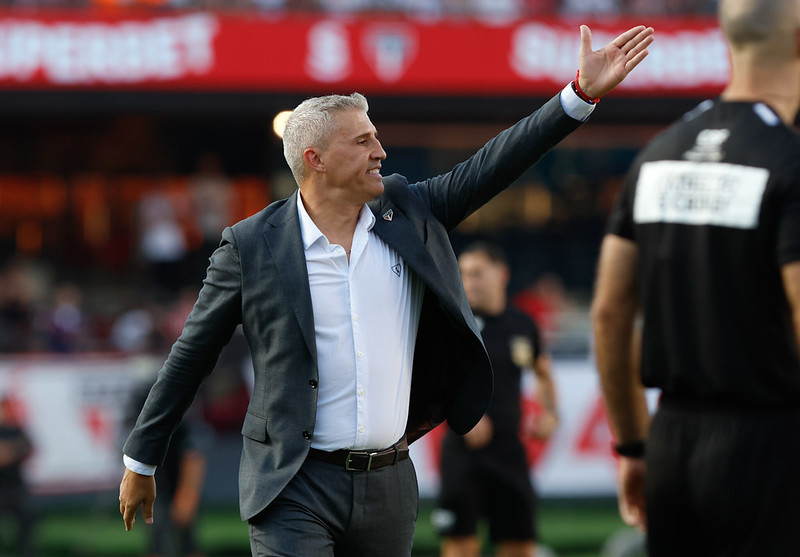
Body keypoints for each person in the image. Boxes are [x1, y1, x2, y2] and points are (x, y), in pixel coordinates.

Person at [120, 23, 653, 557]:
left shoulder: (409, 211)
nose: (380, 151)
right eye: (362, 141)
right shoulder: (250, 245)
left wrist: (578, 96)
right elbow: (192, 352)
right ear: (315, 159)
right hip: (292, 485)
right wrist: (142, 459)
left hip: (389, 483)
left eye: (375, 137)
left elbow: (493, 164)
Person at [591, 1, 800, 555]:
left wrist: (633, 446)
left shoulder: (657, 154)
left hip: (672, 445)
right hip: (772, 445)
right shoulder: (790, 160)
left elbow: (609, 313)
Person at [434, 241, 558, 557]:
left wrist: (550, 413)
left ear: (501, 274)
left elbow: (543, 372)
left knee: (519, 542)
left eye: (477, 273)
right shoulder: (452, 320)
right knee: (460, 543)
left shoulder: (522, 324)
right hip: (462, 451)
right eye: (463, 273)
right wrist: (464, 414)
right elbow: (431, 379)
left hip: (508, 449)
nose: (468, 281)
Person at [0, 395, 35, 557]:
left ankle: (26, 551)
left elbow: (28, 447)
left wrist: (10, 452)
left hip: (15, 487)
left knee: (27, 517)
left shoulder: (16, 430)